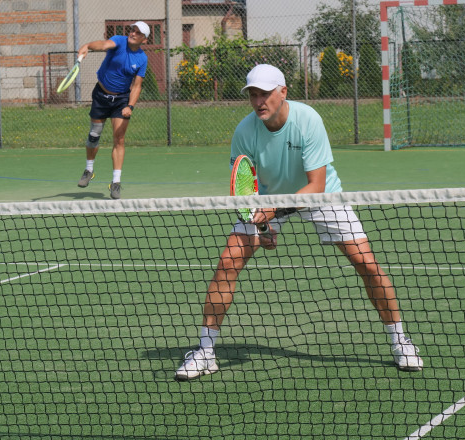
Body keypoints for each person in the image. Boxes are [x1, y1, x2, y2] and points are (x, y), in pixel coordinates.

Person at [175, 63, 423, 380]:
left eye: (264, 94)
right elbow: (247, 187)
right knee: (228, 262)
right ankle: (206, 353)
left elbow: (315, 186)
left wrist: (275, 213)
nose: (258, 101)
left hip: (321, 197)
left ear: (283, 92)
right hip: (268, 201)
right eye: (253, 95)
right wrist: (263, 227)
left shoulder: (308, 120)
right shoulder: (244, 132)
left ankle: (400, 342)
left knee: (367, 264)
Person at [75, 22, 150, 199]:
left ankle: (116, 182)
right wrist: (87, 46)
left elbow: (137, 86)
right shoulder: (118, 40)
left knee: (119, 138)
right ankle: (89, 170)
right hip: (101, 94)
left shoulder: (142, 59)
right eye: (133, 30)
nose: (133, 33)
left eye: (138, 33)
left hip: (121, 100)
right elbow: (103, 45)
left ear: (144, 40)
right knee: (94, 134)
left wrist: (130, 106)